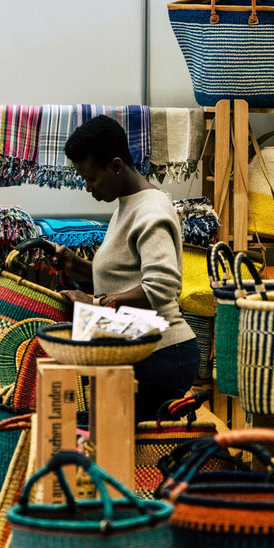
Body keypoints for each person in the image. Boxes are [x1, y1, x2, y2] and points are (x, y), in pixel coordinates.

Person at [50, 115, 200, 422]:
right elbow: (126, 275)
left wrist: (96, 304)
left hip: (161, 352)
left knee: (115, 447)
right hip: (142, 344)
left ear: (117, 166)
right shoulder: (128, 204)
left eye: (91, 178)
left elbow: (161, 287)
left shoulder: (150, 210)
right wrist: (77, 265)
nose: (88, 187)